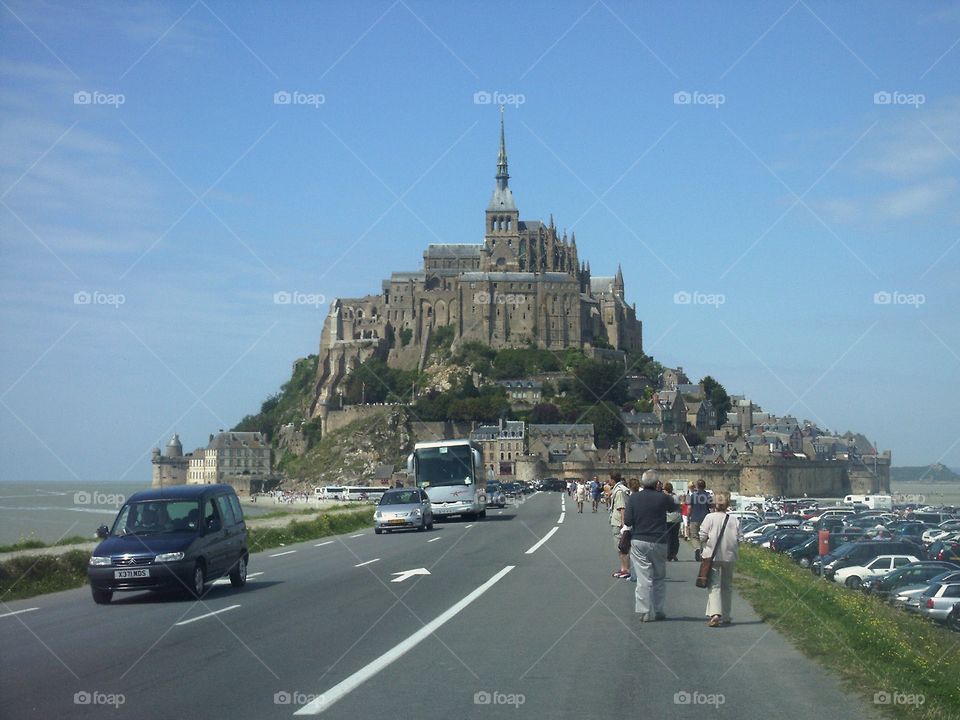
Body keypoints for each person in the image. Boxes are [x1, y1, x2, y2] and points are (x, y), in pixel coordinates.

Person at [622, 469, 677, 621]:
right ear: (657, 483)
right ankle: (659, 610)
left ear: (642, 482)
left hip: (639, 539)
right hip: (659, 540)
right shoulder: (663, 498)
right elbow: (674, 508)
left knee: (643, 578)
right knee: (659, 577)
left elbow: (627, 521)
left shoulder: (634, 498)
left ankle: (644, 611)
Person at [698, 491, 742, 627]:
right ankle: (727, 615)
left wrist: (704, 542)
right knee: (727, 586)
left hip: (713, 555)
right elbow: (740, 538)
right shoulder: (734, 520)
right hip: (730, 556)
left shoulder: (709, 517)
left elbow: (702, 535)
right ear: (728, 504)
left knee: (714, 585)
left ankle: (715, 614)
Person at [609, 473, 631, 578]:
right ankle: (623, 568)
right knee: (621, 547)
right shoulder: (621, 489)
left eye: (610, 479)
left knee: (622, 547)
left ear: (613, 480)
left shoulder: (619, 491)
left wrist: (623, 526)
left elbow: (622, 508)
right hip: (618, 522)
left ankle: (626, 569)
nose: (609, 482)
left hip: (618, 523)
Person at [687, 479, 712, 562]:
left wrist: (688, 518)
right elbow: (711, 507)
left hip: (694, 518)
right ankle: (703, 551)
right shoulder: (708, 495)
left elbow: (689, 508)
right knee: (705, 536)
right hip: (706, 518)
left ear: (697, 486)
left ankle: (697, 548)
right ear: (704, 486)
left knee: (694, 536)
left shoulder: (693, 495)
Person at [663, 482, 681, 561]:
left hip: (668, 518)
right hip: (676, 518)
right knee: (675, 537)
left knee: (668, 537)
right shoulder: (676, 496)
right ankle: (674, 553)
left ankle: (669, 554)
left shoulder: (665, 497)